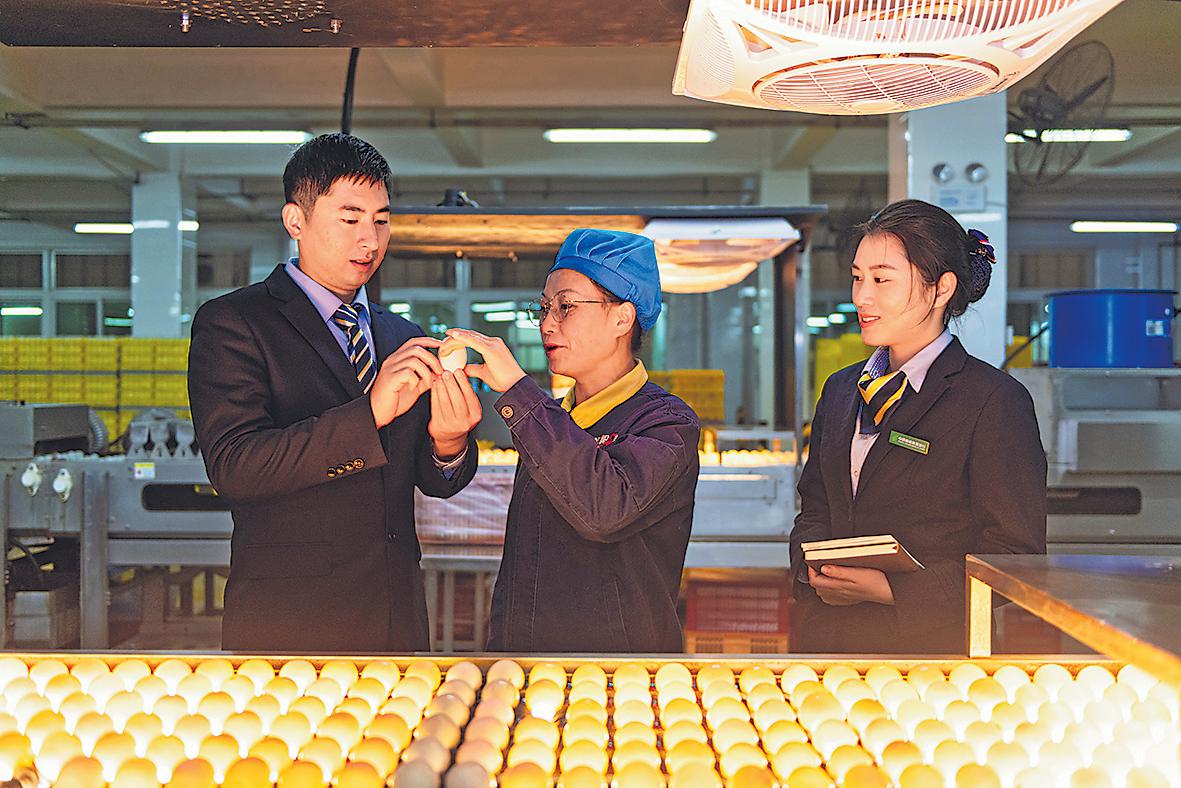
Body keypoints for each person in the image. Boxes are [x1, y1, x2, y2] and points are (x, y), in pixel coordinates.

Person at [188, 133, 480, 652]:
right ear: (294, 221)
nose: (370, 240)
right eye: (350, 219)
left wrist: (449, 444)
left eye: (382, 220)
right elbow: (235, 468)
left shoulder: (401, 335)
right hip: (289, 623)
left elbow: (432, 480)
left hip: (396, 620)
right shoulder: (234, 323)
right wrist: (369, 414)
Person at [790, 199, 1047, 653]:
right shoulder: (842, 389)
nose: (862, 297)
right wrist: (814, 571)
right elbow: (815, 506)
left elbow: (1015, 555)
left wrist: (891, 591)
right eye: (857, 278)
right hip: (827, 644)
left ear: (941, 288)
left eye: (882, 279)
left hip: (931, 656)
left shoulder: (992, 401)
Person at [445, 229, 701, 652]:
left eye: (566, 307)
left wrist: (519, 393)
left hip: (619, 673)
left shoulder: (666, 423)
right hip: (526, 664)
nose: (547, 324)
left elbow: (604, 510)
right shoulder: (553, 419)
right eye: (544, 307)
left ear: (623, 318)